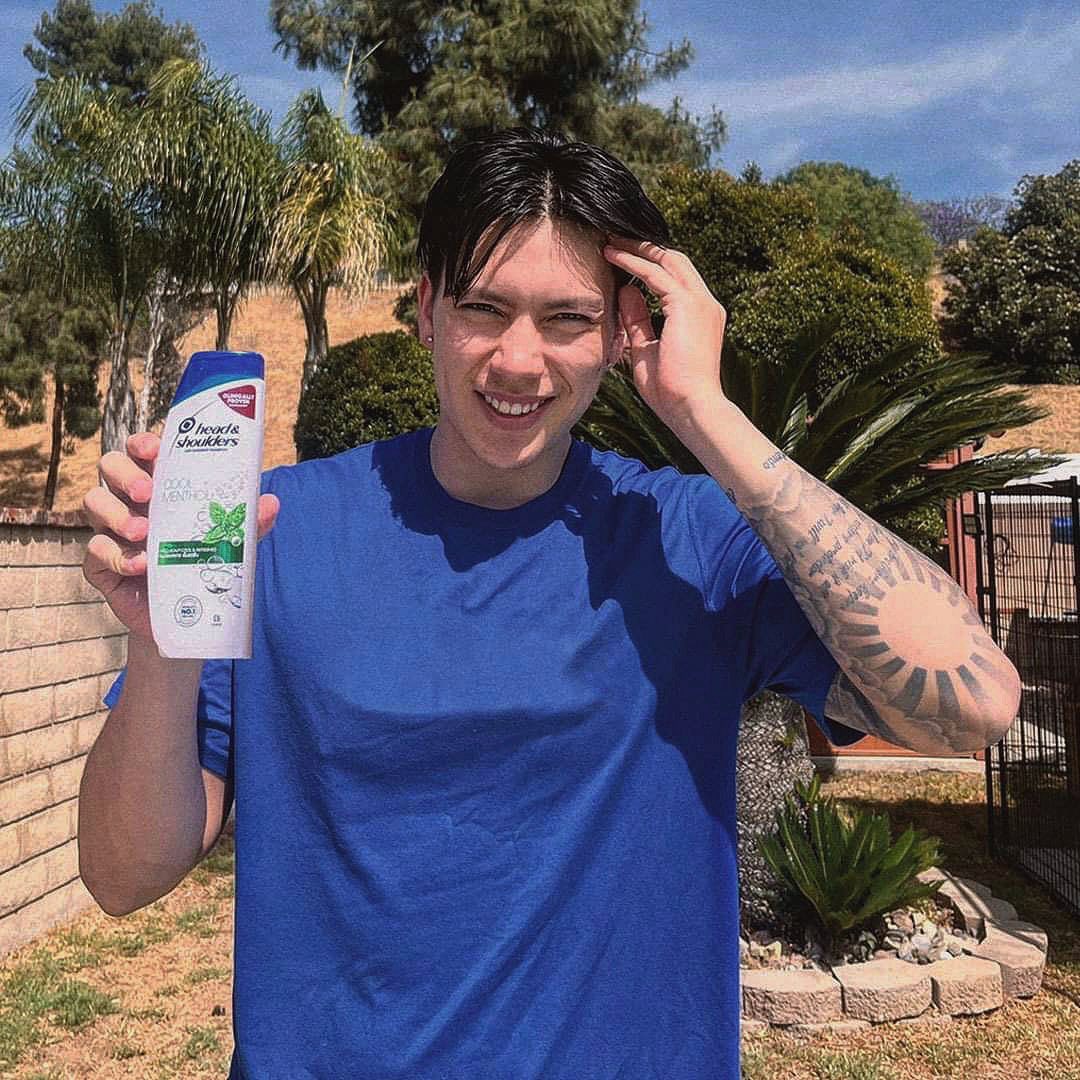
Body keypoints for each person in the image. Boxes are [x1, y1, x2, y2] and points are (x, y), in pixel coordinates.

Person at [78, 127, 1021, 1080]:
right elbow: (122, 875)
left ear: (621, 333)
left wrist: (705, 411)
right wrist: (159, 647)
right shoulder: (278, 533)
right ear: (428, 311)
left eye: (567, 319)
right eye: (485, 308)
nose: (519, 361)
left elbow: (974, 705)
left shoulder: (690, 540)